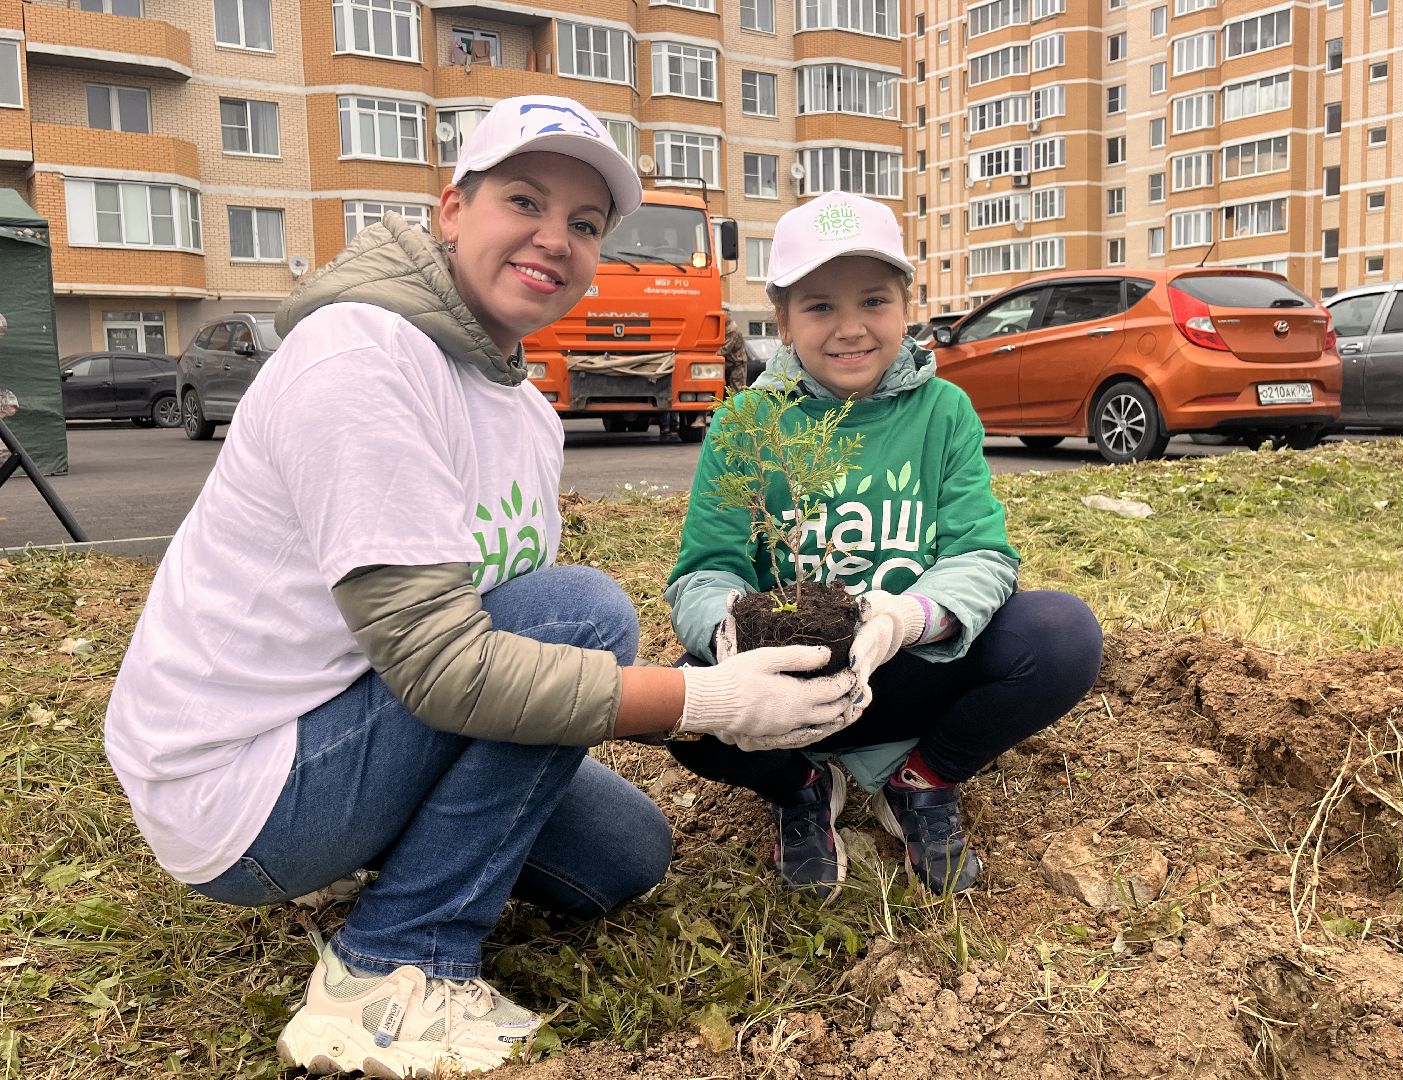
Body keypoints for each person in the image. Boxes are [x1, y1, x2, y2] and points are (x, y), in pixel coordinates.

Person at [103, 96, 862, 1080]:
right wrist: (707, 702)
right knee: (579, 611)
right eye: (523, 200)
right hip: (236, 786)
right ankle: (390, 970)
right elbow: (453, 668)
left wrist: (703, 692)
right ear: (452, 209)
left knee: (627, 858)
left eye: (586, 225)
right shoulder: (362, 361)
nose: (556, 238)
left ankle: (395, 845)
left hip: (353, 725)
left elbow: (486, 652)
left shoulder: (522, 412)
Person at [664, 191, 1103, 900]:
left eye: (873, 301)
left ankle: (922, 781)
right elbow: (706, 570)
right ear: (781, 320)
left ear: (906, 306)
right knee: (686, 700)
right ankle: (802, 786)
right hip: (788, 682)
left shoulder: (944, 412)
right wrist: (731, 635)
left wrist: (902, 620)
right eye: (819, 307)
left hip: (907, 666)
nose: (850, 329)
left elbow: (981, 557)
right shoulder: (748, 425)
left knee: (1062, 635)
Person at [721, 307, 748, 391]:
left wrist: (711, 355)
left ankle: (738, 404)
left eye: (723, 313)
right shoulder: (727, 327)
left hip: (737, 364)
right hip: (731, 363)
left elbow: (725, 349)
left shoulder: (732, 329)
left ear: (728, 315)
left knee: (737, 389)